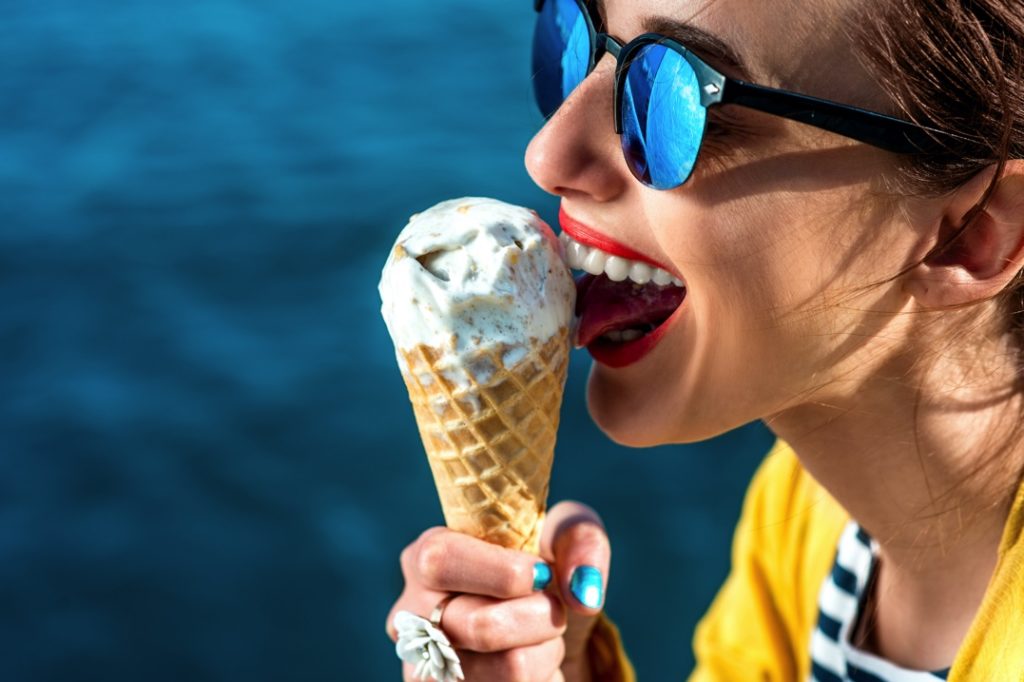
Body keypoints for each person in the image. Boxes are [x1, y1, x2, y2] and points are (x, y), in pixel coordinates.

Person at [386, 0, 1024, 679]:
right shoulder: (803, 516)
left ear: (974, 233)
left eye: (675, 94)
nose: (547, 154)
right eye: (571, 38)